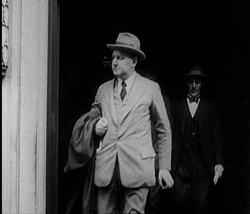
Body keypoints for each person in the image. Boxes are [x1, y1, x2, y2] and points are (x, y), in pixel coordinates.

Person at [64, 32, 174, 214]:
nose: (114, 62)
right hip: (107, 169)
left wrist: (164, 168)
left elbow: (163, 129)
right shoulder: (103, 90)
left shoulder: (150, 88)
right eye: (113, 57)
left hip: (138, 168)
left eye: (120, 58)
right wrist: (95, 126)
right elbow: (90, 119)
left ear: (134, 61)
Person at [171, 65, 225, 214]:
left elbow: (217, 138)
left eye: (197, 82)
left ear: (202, 84)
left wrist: (219, 162)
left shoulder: (210, 107)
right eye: (191, 82)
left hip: (202, 167)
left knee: (201, 204)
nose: (194, 85)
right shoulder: (176, 106)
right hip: (180, 166)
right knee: (179, 202)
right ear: (186, 83)